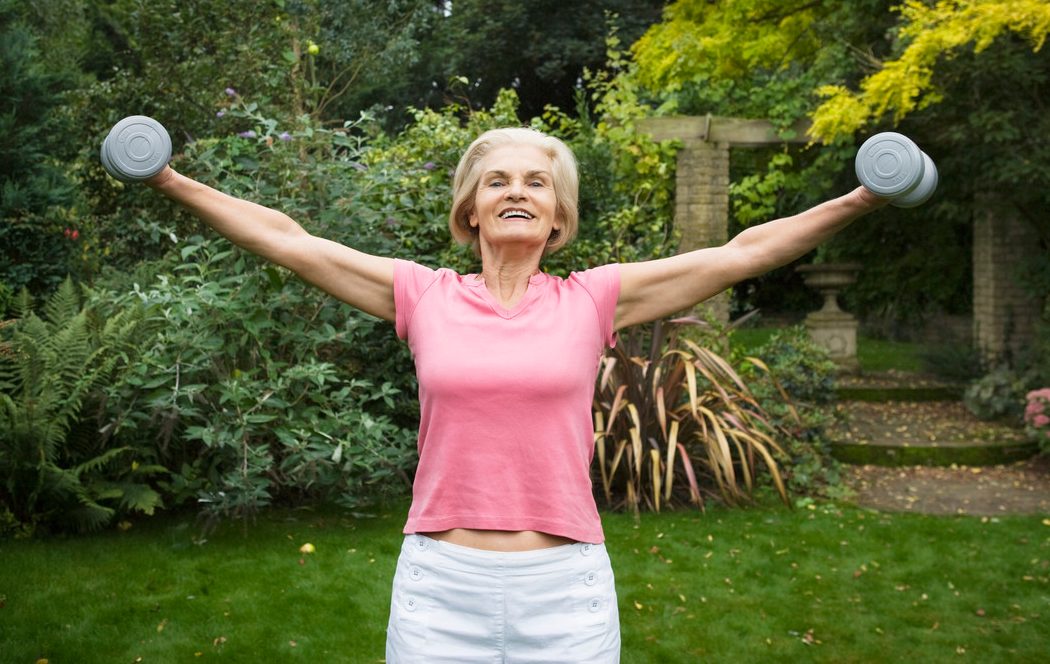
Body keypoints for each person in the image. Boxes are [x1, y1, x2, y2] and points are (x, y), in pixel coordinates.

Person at [145, 126, 887, 662]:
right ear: (470, 210)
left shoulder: (593, 299)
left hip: (563, 589)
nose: (517, 192)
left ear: (558, 218)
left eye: (537, 183)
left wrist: (858, 197)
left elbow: (741, 254)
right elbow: (288, 241)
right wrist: (168, 180)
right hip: (442, 587)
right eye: (498, 181)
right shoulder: (422, 295)